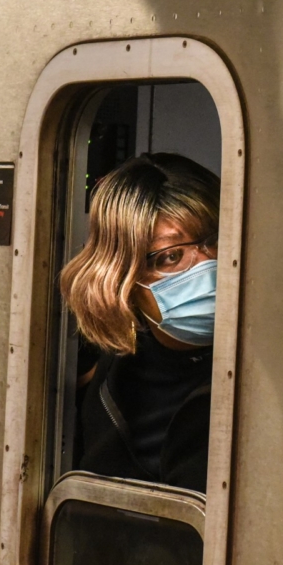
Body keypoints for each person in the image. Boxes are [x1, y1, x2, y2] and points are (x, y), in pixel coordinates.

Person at [60, 152, 219, 493]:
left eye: (214, 240)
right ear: (125, 281)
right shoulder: (110, 384)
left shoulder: (267, 378)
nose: (208, 265)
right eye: (171, 257)